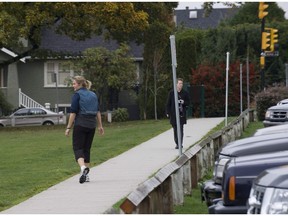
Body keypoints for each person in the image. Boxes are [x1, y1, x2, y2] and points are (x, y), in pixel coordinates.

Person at [65, 76, 104, 184]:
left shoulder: (77, 95)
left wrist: (68, 127)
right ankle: (86, 176)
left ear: (80, 84)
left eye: (74, 84)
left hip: (81, 124)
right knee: (87, 149)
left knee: (78, 148)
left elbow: (73, 112)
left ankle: (83, 168)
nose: (73, 86)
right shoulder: (93, 94)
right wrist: (100, 126)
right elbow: (97, 112)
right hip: (92, 125)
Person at [166, 78, 190, 149]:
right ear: (176, 84)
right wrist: (168, 112)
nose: (180, 85)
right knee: (175, 129)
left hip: (181, 114)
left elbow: (188, 102)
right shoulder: (172, 93)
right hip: (173, 114)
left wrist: (183, 102)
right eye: (179, 83)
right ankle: (177, 142)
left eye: (181, 83)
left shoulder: (185, 93)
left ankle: (180, 144)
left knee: (181, 129)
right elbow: (168, 104)